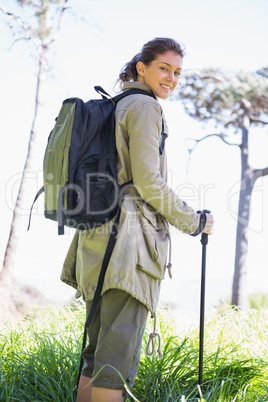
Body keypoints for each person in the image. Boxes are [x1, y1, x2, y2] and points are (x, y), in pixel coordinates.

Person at [60, 37, 214, 402]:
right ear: (141, 68)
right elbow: (149, 182)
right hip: (128, 247)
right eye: (164, 68)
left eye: (177, 72)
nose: (171, 78)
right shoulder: (145, 108)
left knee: (95, 356)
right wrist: (194, 221)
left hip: (96, 239)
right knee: (115, 364)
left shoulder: (116, 105)